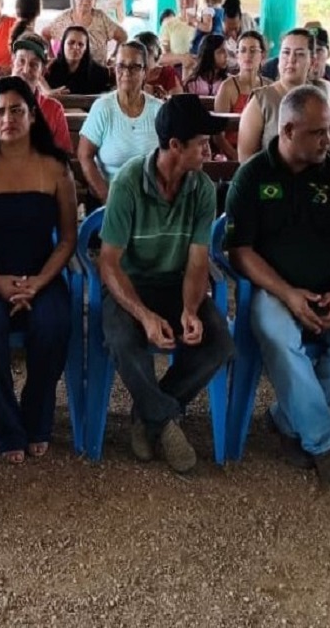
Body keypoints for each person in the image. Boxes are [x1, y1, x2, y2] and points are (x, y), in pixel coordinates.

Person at [225, 85, 330, 486]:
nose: (329, 139)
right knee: (279, 337)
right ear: (287, 131)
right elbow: (239, 250)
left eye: (329, 130)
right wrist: (288, 294)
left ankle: (286, 419)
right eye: (318, 132)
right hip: (273, 293)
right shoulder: (253, 175)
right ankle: (323, 443)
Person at [98, 94, 234, 473]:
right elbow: (108, 263)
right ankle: (164, 421)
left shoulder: (202, 189)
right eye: (202, 144)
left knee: (219, 343)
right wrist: (143, 315)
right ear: (174, 146)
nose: (209, 151)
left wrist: (190, 309)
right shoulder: (128, 181)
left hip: (174, 285)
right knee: (124, 340)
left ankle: (150, 416)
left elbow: (196, 261)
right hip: (130, 286)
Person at [0, 77, 77, 463]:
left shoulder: (57, 168)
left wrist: (38, 282)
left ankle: (37, 417)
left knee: (54, 323)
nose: (8, 118)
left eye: (17, 110)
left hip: (42, 276)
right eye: (0, 111)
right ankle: (6, 424)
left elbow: (68, 238)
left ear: (34, 115)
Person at [237, 28, 330, 162]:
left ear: (312, 61)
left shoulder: (322, 90)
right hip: (273, 179)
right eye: (286, 52)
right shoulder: (262, 100)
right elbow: (246, 160)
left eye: (300, 54)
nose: (291, 59)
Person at [78, 41, 163, 203]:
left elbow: (168, 158)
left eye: (134, 67)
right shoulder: (103, 108)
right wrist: (109, 198)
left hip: (148, 200)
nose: (126, 72)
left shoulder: (158, 110)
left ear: (145, 71)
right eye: (121, 66)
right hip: (108, 196)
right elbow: (84, 156)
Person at [0, 34, 72, 153]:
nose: (25, 70)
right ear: (12, 62)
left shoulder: (53, 109)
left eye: (34, 65)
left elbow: (63, 158)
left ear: (42, 71)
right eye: (21, 61)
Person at [41, 0, 127, 65]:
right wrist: (51, 58)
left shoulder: (100, 18)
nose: (85, 0)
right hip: (68, 75)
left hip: (97, 75)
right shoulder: (64, 19)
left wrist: (114, 58)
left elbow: (123, 36)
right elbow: (45, 34)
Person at [213, 30, 268, 161]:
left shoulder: (269, 86)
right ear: (237, 55)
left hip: (263, 155)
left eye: (253, 50)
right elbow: (217, 135)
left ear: (263, 55)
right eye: (243, 50)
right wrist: (238, 158)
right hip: (233, 154)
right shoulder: (227, 87)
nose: (248, 55)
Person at [44, 25, 110, 95]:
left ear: (85, 49)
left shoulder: (99, 73)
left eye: (80, 44)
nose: (76, 47)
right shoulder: (49, 69)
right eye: (71, 43)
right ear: (63, 44)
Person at [160, 0, 200, 69]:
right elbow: (160, 58)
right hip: (176, 76)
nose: (185, 2)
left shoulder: (204, 24)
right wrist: (181, 58)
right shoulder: (168, 24)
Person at [136, 30, 182, 98]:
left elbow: (177, 102)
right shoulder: (129, 73)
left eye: (147, 53)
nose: (140, 58)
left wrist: (156, 93)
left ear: (156, 54)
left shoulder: (167, 73)